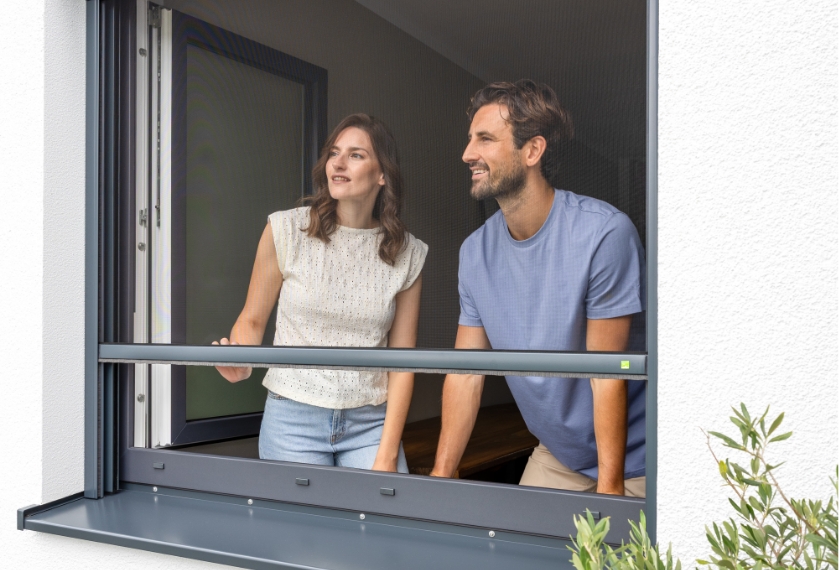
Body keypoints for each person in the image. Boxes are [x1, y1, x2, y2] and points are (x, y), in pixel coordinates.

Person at [429, 80, 646, 496]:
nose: (467, 154)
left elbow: (607, 377)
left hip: (634, 459)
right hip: (560, 455)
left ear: (533, 151)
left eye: (485, 139)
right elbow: (465, 376)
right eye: (469, 139)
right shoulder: (475, 253)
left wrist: (610, 492)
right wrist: (441, 477)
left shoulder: (603, 233)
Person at [214, 113, 427, 473]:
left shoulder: (408, 253)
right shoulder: (286, 230)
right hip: (293, 419)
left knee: (381, 525)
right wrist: (240, 362)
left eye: (356, 155)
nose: (338, 163)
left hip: (371, 424)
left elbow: (402, 364)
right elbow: (251, 320)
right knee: (299, 531)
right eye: (334, 153)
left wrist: (388, 453)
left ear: (382, 174)